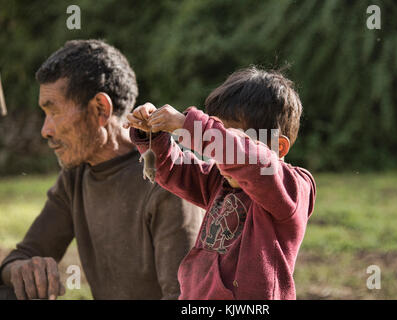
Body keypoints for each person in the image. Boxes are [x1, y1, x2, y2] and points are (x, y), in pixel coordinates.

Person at [0, 40, 204, 300]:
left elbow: (184, 300)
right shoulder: (75, 176)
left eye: (54, 112)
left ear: (100, 109)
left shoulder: (169, 179)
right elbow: (23, 256)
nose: (45, 130)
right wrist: (22, 270)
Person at [125, 67, 317, 299]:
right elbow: (173, 168)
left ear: (278, 147)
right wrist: (152, 135)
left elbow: (250, 158)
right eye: (217, 134)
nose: (218, 153)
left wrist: (189, 126)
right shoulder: (219, 180)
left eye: (228, 137)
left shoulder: (293, 188)